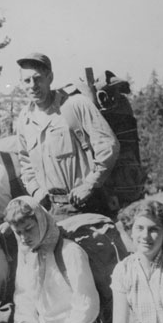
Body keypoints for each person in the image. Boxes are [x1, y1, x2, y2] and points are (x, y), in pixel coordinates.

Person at [4, 196, 100, 323]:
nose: (23, 238)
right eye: (18, 232)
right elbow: (24, 295)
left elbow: (87, 304)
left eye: (28, 229)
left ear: (41, 221)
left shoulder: (69, 251)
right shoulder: (27, 253)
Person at [15, 52, 120, 219]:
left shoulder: (75, 104)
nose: (33, 85)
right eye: (27, 80)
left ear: (50, 78)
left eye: (38, 78)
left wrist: (90, 184)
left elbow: (108, 145)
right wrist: (35, 190)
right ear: (21, 83)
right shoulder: (24, 119)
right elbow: (25, 162)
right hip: (48, 210)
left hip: (85, 205)